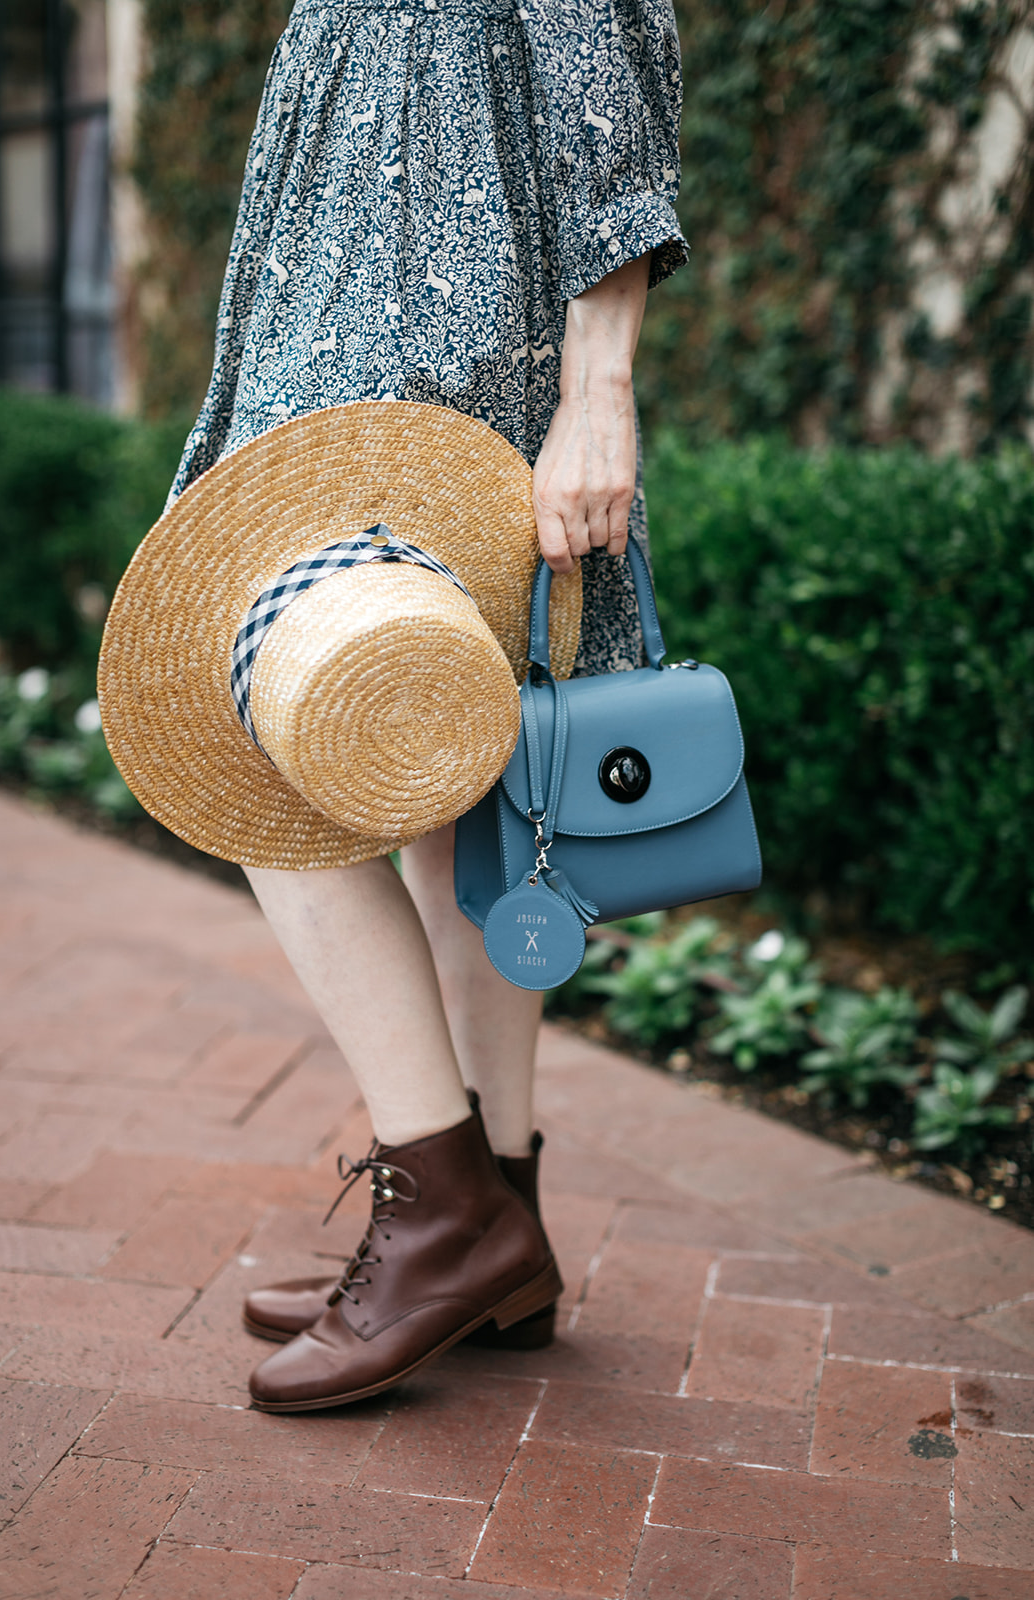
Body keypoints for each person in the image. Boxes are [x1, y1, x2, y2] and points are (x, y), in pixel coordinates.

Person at [169, 0, 687, 1411]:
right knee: (455, 792)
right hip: (369, 361)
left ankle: (446, 1211)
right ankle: (502, 1235)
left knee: (267, 757)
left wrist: (603, 391)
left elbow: (599, 76)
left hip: (430, 370)